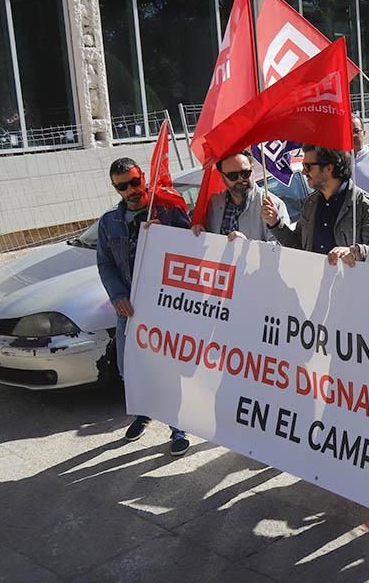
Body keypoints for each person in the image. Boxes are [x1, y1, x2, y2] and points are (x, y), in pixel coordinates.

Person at [96, 158, 192, 455]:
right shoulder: (109, 221)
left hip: (167, 309)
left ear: (144, 177)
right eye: (122, 186)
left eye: (135, 182)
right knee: (133, 368)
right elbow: (105, 263)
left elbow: (194, 250)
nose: (131, 190)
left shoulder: (169, 211)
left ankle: (178, 428)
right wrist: (117, 295)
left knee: (169, 369)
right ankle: (145, 412)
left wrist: (164, 234)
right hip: (131, 311)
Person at [265, 145, 369, 256]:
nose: (304, 172)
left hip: (348, 276)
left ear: (329, 168)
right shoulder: (310, 203)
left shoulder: (365, 205)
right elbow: (297, 245)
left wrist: (355, 252)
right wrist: (275, 223)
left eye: (308, 167)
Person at [192, 151, 288, 242]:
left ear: (253, 170)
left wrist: (247, 245)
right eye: (233, 176)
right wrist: (202, 234)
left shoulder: (273, 205)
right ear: (222, 177)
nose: (240, 179)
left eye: (245, 173)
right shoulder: (215, 203)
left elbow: (283, 251)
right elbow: (212, 242)